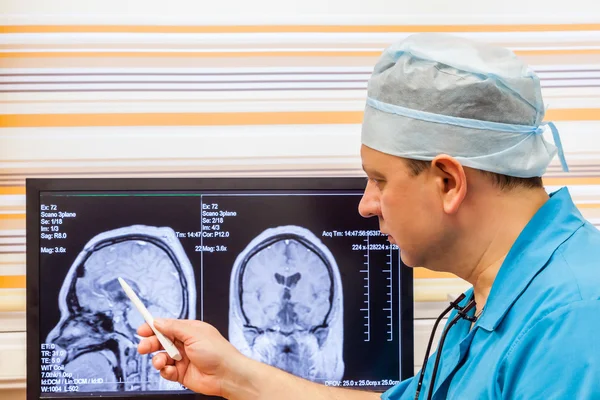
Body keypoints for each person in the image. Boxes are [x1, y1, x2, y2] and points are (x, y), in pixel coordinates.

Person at [137, 33, 600, 399]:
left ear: (448, 183)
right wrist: (235, 376)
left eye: (379, 179)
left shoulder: (573, 323)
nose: (365, 204)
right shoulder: (502, 301)